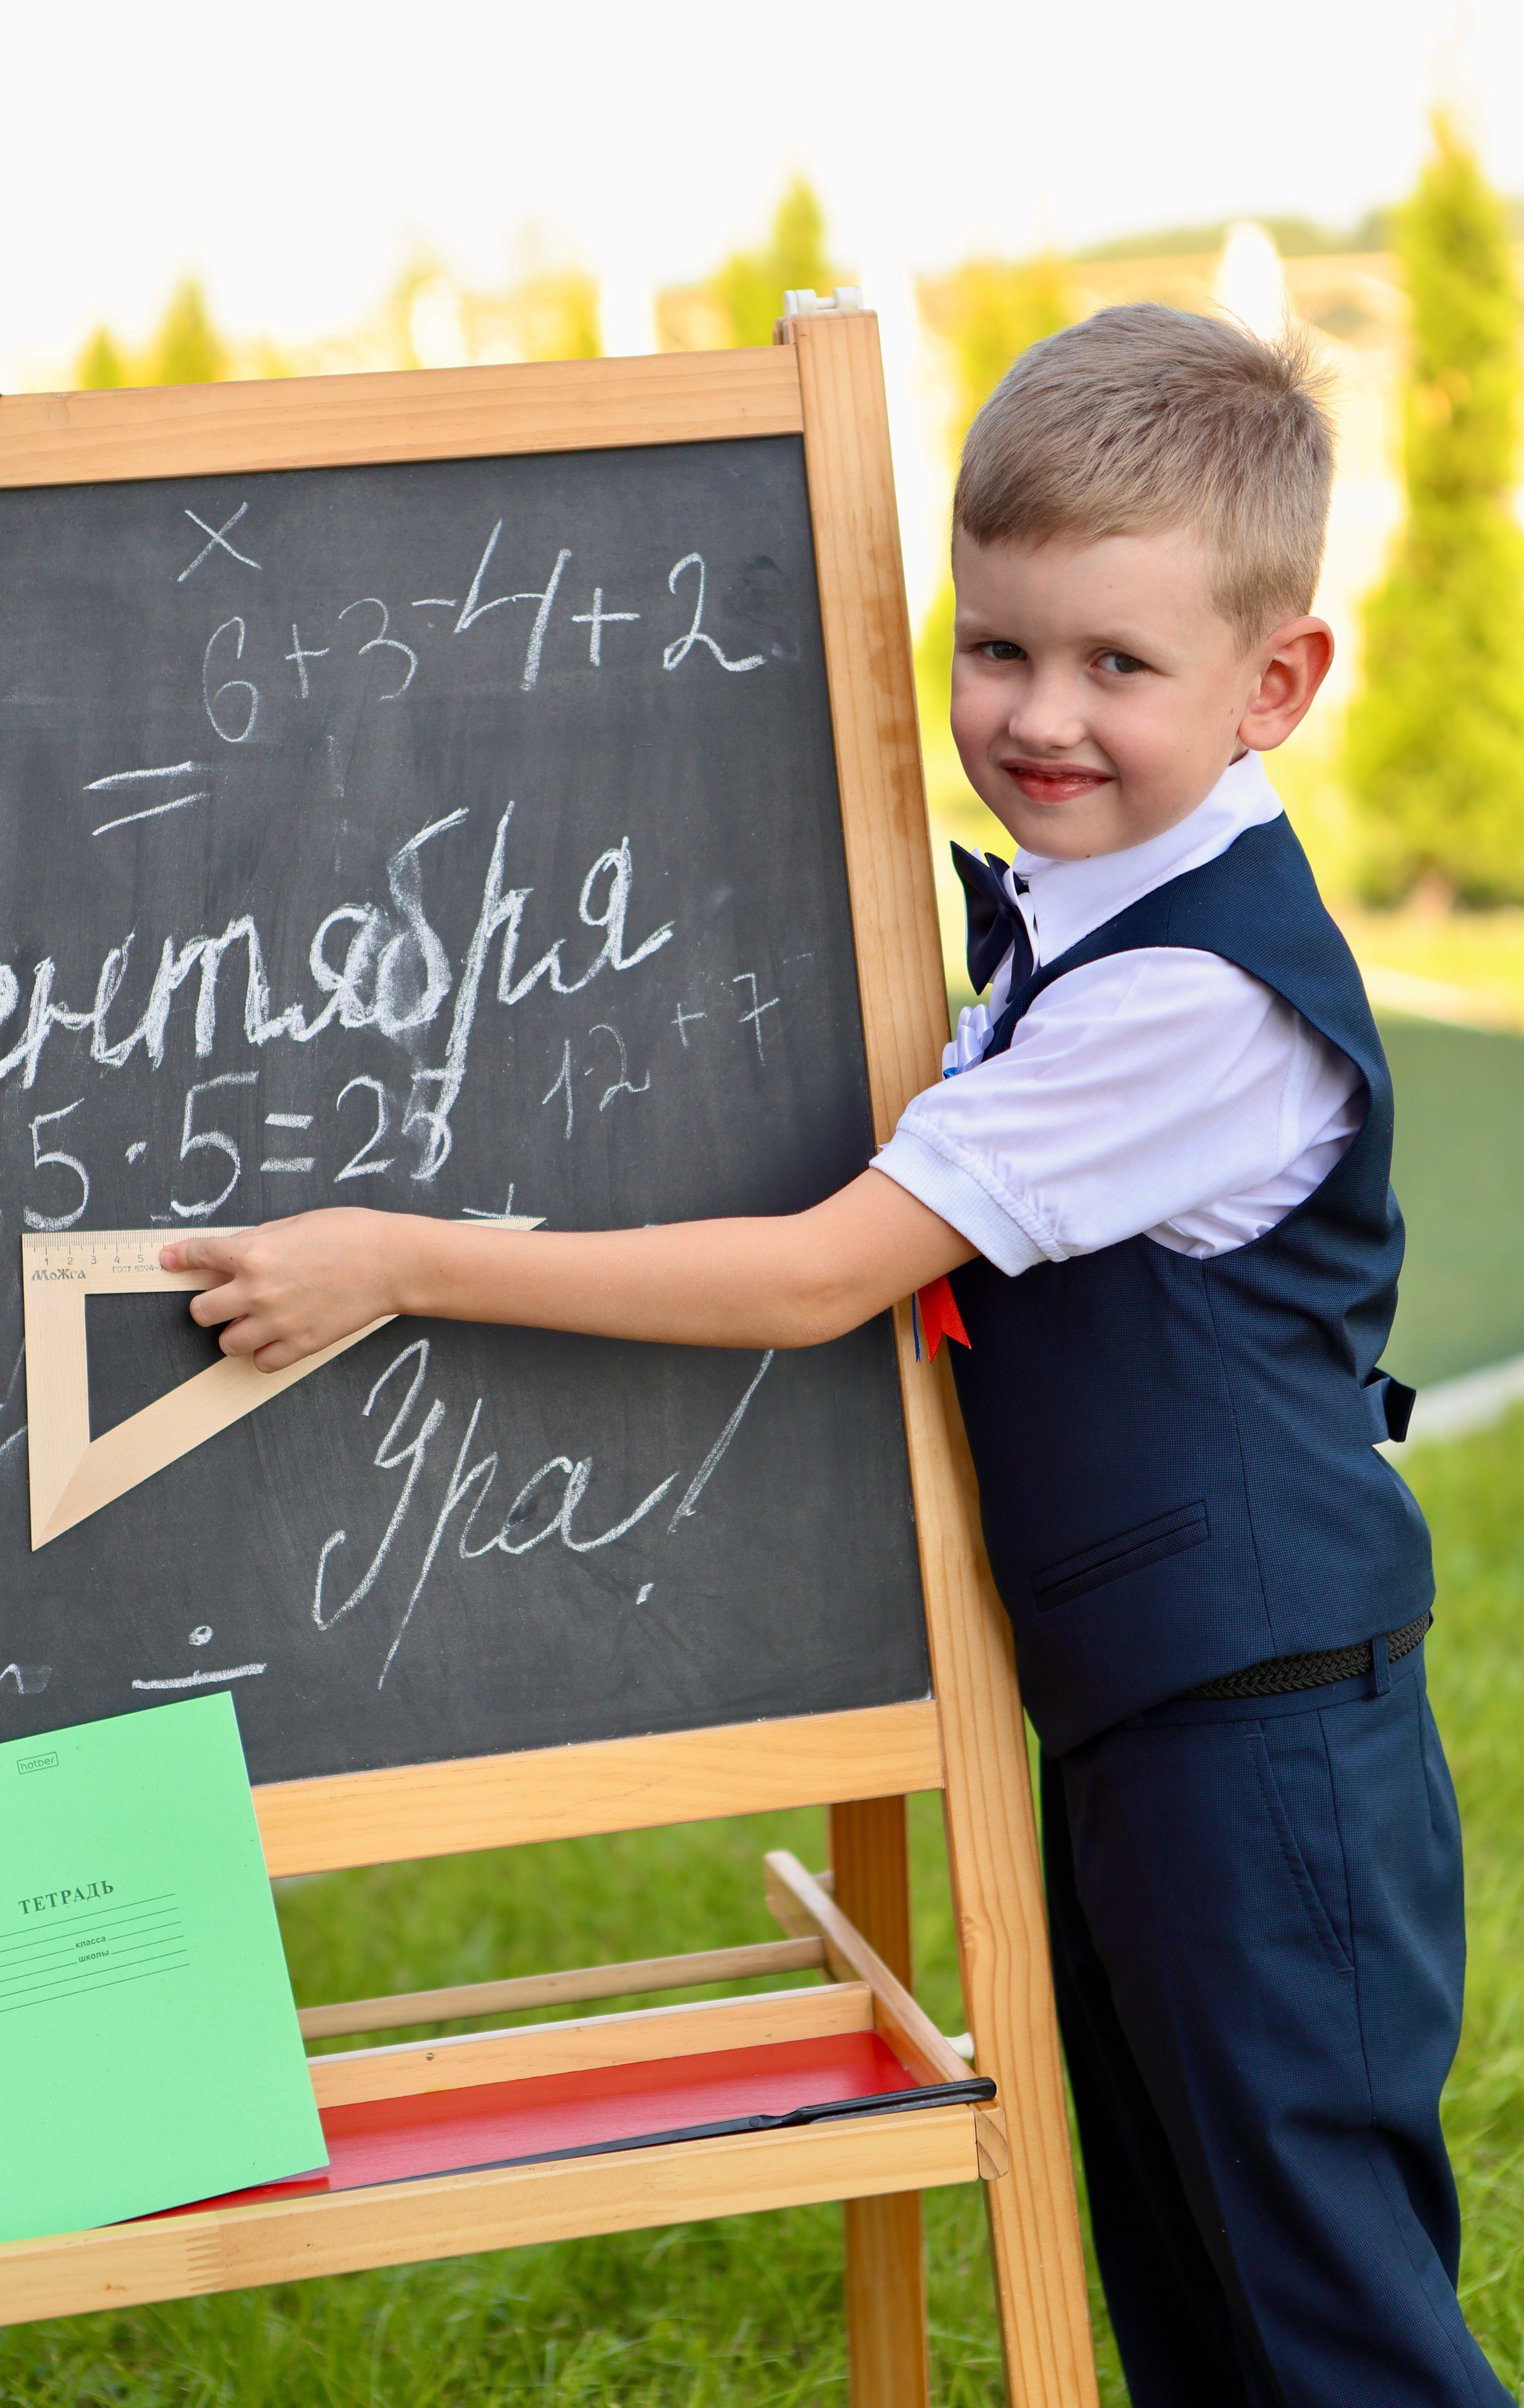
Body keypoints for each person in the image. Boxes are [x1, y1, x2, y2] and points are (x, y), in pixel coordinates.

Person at [162, 304, 1505, 2406]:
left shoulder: (1189, 1006)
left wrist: (401, 1264)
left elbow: (813, 1279)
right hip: (1165, 1717)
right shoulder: (1090, 922)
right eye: (996, 647)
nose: (1039, 716)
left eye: (1117, 666)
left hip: (1263, 1749)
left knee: (1324, 2312)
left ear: (1280, 684)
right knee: (1196, 2270)